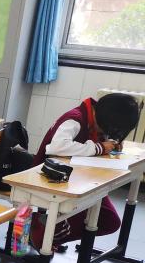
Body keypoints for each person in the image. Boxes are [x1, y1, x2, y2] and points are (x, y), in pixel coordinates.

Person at [31, 92, 141, 247]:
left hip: (81, 179)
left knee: (110, 221)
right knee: (101, 218)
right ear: (105, 120)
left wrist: (109, 142)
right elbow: (57, 146)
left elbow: (93, 140)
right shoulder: (74, 119)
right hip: (52, 178)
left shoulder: (95, 117)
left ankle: (49, 234)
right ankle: (42, 234)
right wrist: (98, 147)